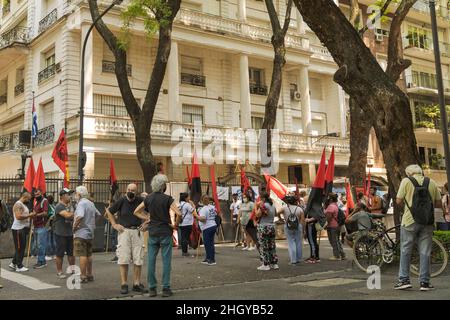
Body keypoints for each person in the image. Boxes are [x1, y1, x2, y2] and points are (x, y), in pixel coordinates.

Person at [395, 164, 441, 291]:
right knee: (425, 252)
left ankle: (404, 280)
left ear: (409, 173)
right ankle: (424, 283)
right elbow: (438, 203)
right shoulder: (431, 182)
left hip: (409, 221)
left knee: (405, 250)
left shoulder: (406, 181)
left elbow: (398, 200)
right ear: (421, 172)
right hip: (427, 222)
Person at [134, 174, 181, 298]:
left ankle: (152, 288)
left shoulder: (148, 198)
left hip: (153, 232)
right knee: (166, 261)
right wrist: (175, 225)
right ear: (163, 186)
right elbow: (179, 213)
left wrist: (148, 217)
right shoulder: (168, 198)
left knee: (151, 260)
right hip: (165, 232)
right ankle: (166, 288)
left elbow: (136, 211)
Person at [106, 183, 147, 295]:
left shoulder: (140, 200)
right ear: (126, 190)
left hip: (137, 231)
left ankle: (136, 284)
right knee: (123, 259)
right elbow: (109, 211)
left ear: (136, 191)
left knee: (138, 259)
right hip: (124, 232)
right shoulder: (121, 200)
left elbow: (151, 211)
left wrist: (147, 223)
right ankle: (124, 284)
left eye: (133, 190)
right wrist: (114, 224)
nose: (130, 191)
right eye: (129, 189)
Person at [73, 186, 101, 283]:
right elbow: (98, 214)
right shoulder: (91, 203)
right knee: (89, 254)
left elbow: (80, 216)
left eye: (76, 193)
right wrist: (92, 224)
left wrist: (74, 227)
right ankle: (89, 274)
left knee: (82, 254)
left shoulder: (81, 203)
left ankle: (83, 276)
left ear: (79, 194)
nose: (75, 195)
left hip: (81, 233)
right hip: (90, 232)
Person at [10, 192, 35, 272]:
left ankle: (13, 263)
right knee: (20, 248)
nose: (29, 200)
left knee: (21, 247)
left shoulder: (22, 205)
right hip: (18, 229)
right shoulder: (18, 204)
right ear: (25, 197)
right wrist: (29, 215)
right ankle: (19, 266)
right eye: (29, 199)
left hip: (22, 229)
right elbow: (18, 217)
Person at [53, 188, 76, 279]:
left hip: (69, 233)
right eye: (68, 194)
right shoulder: (59, 206)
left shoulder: (70, 206)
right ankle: (59, 272)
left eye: (70, 194)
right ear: (62, 196)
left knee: (71, 253)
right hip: (60, 233)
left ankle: (72, 270)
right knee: (60, 254)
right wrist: (78, 212)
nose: (70, 196)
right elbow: (67, 215)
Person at [255, 192, 278, 271]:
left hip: (264, 227)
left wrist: (256, 206)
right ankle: (274, 263)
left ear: (263, 199)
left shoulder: (264, 206)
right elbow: (275, 215)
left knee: (264, 246)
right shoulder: (273, 205)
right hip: (271, 226)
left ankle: (265, 264)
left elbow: (257, 215)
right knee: (272, 245)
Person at [279, 195, 304, 265]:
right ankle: (299, 258)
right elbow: (302, 220)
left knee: (291, 242)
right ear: (295, 201)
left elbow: (277, 212)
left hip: (288, 226)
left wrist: (281, 219)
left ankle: (293, 260)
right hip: (298, 226)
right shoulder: (299, 209)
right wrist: (302, 228)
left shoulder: (285, 208)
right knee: (298, 242)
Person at [193, 195, 218, 265]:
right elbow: (215, 214)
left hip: (207, 227)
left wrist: (196, 216)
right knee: (210, 243)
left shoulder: (203, 209)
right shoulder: (212, 207)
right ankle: (208, 258)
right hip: (213, 225)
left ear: (202, 200)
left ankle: (211, 260)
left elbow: (203, 219)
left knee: (208, 244)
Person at [325, 193, 346, 260]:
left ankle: (336, 256)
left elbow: (329, 217)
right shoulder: (335, 205)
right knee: (337, 240)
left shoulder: (330, 206)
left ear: (330, 199)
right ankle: (342, 254)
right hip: (337, 225)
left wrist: (325, 224)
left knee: (333, 241)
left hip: (332, 225)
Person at [32, 188, 49, 269]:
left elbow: (45, 213)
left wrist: (36, 215)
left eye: (38, 194)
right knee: (37, 245)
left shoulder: (44, 201)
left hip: (41, 226)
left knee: (40, 245)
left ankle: (41, 262)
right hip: (35, 226)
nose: (36, 196)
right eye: (35, 195)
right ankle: (42, 261)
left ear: (42, 193)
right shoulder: (36, 202)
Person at [178, 193, 196, 257]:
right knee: (185, 238)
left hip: (181, 223)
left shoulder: (180, 204)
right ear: (185, 198)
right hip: (187, 223)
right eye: (188, 197)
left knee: (183, 237)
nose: (189, 198)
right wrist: (193, 204)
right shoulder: (187, 205)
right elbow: (193, 211)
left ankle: (184, 251)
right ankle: (185, 252)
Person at [45, 194, 57, 261]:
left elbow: (48, 215)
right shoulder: (54, 206)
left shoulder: (48, 207)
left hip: (49, 225)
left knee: (48, 240)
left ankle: (48, 255)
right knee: (54, 240)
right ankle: (55, 254)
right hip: (55, 225)